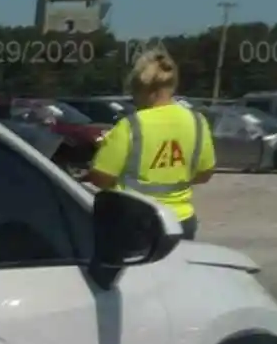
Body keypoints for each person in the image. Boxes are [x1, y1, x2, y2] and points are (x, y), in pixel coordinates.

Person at [86, 49, 214, 239]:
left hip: (136, 221)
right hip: (181, 222)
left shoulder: (131, 125)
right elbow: (205, 174)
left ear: (144, 89)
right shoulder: (197, 121)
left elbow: (100, 177)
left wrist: (105, 151)